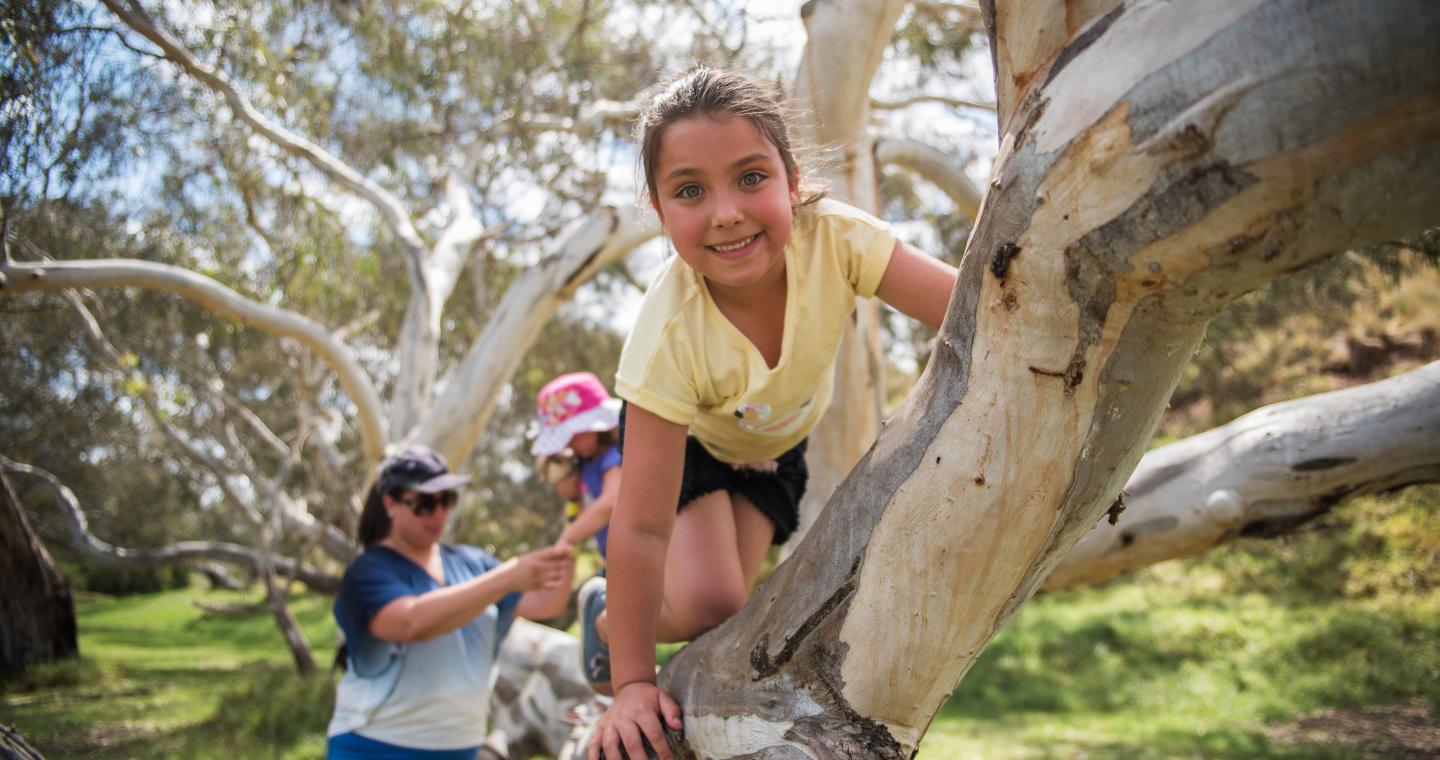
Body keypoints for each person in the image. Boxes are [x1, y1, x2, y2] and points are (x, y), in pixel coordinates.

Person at [585, 67, 958, 760]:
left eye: (751, 177)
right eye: (690, 191)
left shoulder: (838, 240)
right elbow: (637, 526)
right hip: (689, 442)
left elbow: (972, 311)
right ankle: (607, 625)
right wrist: (632, 684)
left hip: (774, 447)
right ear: (659, 210)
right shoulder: (669, 337)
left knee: (740, 613)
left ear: (792, 177)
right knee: (711, 600)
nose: (726, 212)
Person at [327, 444, 574, 760]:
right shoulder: (369, 570)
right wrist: (507, 577)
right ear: (390, 502)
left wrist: (573, 533)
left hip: (460, 747)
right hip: (376, 746)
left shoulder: (472, 562)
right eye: (425, 502)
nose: (440, 512)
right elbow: (410, 622)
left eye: (447, 499)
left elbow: (546, 604)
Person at [531, 372, 623, 564]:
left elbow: (609, 504)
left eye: (571, 435)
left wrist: (568, 538)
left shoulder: (614, 455)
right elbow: (576, 500)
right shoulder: (585, 462)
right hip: (612, 558)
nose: (568, 443)